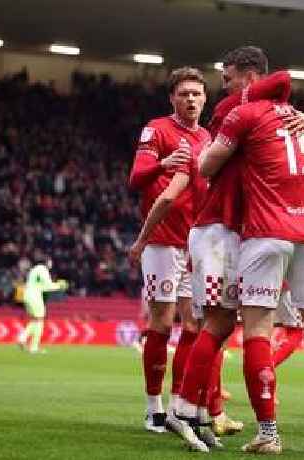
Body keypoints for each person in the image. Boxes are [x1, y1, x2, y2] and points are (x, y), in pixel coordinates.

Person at [199, 88, 304, 455]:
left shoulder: (248, 115)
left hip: (266, 233)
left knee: (257, 330)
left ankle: (269, 434)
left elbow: (206, 166)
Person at [173, 47, 294, 449]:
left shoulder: (258, 115)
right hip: (215, 230)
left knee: (221, 326)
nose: (220, 87)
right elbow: (283, 80)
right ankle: (186, 410)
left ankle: (198, 412)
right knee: (217, 324)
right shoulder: (233, 108)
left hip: (232, 231)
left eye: (227, 78)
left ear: (246, 76)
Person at [127, 67, 208, 439]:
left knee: (193, 325)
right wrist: (162, 163)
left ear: (205, 99)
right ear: (172, 98)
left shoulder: (207, 137)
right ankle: (152, 407)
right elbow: (136, 178)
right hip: (161, 240)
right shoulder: (156, 129)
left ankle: (179, 404)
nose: (191, 99)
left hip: (196, 244)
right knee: (161, 324)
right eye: (184, 93)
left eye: (197, 93)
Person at [16, 258, 68, 354]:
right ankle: (30, 344)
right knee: (39, 320)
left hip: (27, 295)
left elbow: (41, 285)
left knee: (36, 320)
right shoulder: (43, 270)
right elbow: (47, 286)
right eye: (50, 261)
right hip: (35, 296)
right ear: (46, 262)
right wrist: (60, 285)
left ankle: (25, 340)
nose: (51, 263)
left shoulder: (34, 269)